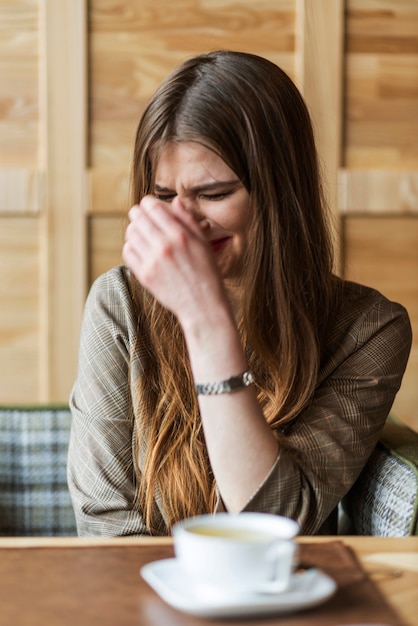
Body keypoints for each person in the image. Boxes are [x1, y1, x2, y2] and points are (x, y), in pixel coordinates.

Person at [67, 50, 412, 537]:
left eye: (213, 193)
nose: (183, 220)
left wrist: (205, 321)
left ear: (278, 193)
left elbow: (274, 523)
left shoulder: (368, 330)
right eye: (164, 196)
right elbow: (106, 530)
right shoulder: (117, 305)